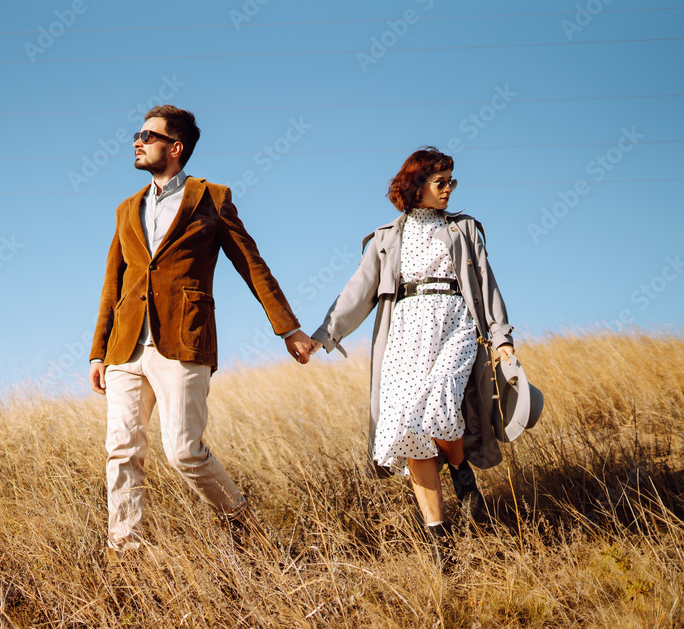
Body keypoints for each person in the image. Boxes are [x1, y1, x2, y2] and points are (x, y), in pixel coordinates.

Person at [89, 105, 314, 561]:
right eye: (138, 133)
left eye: (147, 136)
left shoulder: (211, 197)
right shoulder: (125, 209)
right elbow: (113, 282)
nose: (137, 141)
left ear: (174, 148)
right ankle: (125, 552)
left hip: (184, 339)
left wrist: (287, 328)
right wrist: (98, 352)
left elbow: (250, 264)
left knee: (184, 451)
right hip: (126, 347)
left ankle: (244, 525)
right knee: (122, 450)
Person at [309, 146, 516, 568]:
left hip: (456, 320)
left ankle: (460, 472)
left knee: (441, 403)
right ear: (416, 185)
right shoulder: (387, 237)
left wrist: (501, 336)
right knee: (408, 427)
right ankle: (441, 541)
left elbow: (486, 283)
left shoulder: (464, 229)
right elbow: (358, 290)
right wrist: (321, 336)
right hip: (405, 329)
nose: (448, 190)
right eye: (441, 183)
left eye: (451, 182)